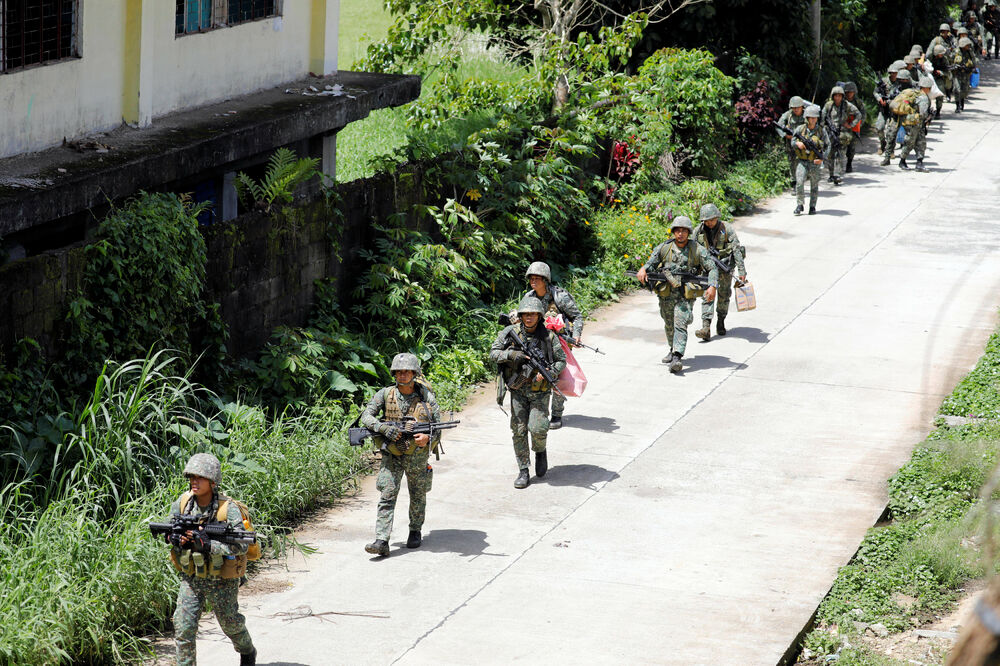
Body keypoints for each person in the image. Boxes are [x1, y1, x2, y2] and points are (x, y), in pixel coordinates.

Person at [168, 453, 257, 666]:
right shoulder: (183, 504)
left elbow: (242, 545)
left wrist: (209, 545)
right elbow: (171, 529)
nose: (194, 482)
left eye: (200, 477)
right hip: (192, 577)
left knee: (231, 624)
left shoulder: (229, 509)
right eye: (192, 477)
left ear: (213, 481)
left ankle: (247, 651)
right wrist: (176, 539)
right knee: (183, 627)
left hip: (222, 579)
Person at [361, 352, 441, 556]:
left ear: (414, 373)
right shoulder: (385, 394)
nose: (403, 375)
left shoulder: (426, 396)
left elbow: (437, 426)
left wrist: (427, 438)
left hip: (417, 455)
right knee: (387, 493)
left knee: (417, 493)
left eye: (407, 371)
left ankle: (415, 530)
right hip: (392, 453)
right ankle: (381, 540)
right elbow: (366, 416)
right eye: (399, 372)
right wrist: (382, 428)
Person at [490, 295, 566, 488]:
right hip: (517, 390)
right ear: (521, 316)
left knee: (538, 428)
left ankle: (540, 450)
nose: (529, 318)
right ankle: (523, 469)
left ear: (539, 316)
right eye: (526, 314)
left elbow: (561, 360)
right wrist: (512, 355)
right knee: (518, 430)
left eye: (533, 314)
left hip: (539, 392)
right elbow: (493, 353)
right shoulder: (510, 332)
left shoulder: (548, 337)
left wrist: (549, 371)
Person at [635, 216, 719, 374]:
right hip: (666, 294)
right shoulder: (665, 248)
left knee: (680, 322)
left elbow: (712, 268)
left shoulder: (697, 249)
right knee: (669, 324)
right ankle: (672, 349)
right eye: (677, 231)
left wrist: (712, 286)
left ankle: (677, 357)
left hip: (684, 295)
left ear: (688, 232)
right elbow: (651, 262)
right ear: (673, 232)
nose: (680, 234)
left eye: (684, 231)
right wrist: (643, 269)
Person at [523, 261, 582, 430]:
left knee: (558, 377)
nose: (533, 281)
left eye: (537, 278)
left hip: (559, 342)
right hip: (536, 343)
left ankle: (557, 414)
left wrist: (576, 335)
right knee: (535, 377)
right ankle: (537, 413)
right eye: (531, 278)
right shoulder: (528, 298)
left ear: (545, 279)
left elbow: (576, 316)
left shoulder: (560, 297)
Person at [693, 203, 747, 341]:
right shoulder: (698, 231)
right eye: (706, 220)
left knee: (723, 295)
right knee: (708, 295)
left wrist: (742, 270)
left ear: (717, 217)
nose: (709, 223)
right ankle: (706, 327)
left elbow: (736, 249)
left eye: (712, 220)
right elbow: (690, 249)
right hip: (707, 269)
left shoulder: (726, 228)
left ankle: (721, 320)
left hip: (724, 268)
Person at [792, 105, 830, 215]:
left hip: (814, 161)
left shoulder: (821, 131)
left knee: (814, 184)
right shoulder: (800, 129)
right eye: (811, 117)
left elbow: (828, 145)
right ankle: (800, 205)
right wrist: (797, 143)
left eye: (815, 118)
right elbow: (793, 141)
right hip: (802, 161)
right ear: (807, 118)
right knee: (799, 182)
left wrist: (822, 158)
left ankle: (812, 206)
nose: (813, 120)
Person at [821, 85, 859, 185]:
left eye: (839, 96)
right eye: (835, 95)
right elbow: (822, 118)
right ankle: (831, 174)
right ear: (832, 96)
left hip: (843, 133)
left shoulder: (847, 105)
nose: (837, 98)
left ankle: (838, 175)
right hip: (830, 132)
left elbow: (858, 114)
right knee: (830, 154)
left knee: (840, 154)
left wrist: (851, 125)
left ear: (842, 96)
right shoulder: (828, 105)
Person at [897, 76, 934, 171]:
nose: (930, 89)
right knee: (910, 142)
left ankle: (919, 163)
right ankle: (902, 161)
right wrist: (929, 116)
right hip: (914, 123)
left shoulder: (917, 94)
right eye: (929, 87)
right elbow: (922, 113)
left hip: (915, 123)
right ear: (926, 87)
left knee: (921, 143)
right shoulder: (923, 98)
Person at [881, 69, 912, 165]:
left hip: (908, 117)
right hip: (895, 116)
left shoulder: (913, 91)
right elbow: (890, 99)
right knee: (890, 136)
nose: (902, 82)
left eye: (904, 80)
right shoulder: (896, 89)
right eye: (900, 80)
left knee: (910, 138)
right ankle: (887, 158)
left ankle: (904, 159)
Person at [874, 62, 903, 155]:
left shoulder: (900, 83)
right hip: (883, 110)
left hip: (894, 111)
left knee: (892, 131)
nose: (893, 75)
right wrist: (880, 99)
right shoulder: (883, 82)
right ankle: (883, 144)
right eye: (891, 73)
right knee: (879, 127)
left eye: (895, 73)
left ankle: (891, 150)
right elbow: (875, 92)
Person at [776, 96, 807, 184]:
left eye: (798, 107)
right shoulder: (788, 115)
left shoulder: (807, 115)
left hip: (804, 144)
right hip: (790, 145)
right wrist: (785, 135)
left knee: (803, 163)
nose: (796, 109)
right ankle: (794, 182)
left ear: (802, 107)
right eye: (794, 107)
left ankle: (801, 181)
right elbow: (778, 126)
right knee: (792, 163)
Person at [842, 82, 864, 173]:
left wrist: (858, 125)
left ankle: (849, 163)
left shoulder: (858, 102)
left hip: (853, 127)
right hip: (843, 126)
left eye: (851, 92)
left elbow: (863, 115)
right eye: (847, 92)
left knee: (851, 147)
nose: (849, 94)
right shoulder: (841, 100)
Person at [953, 37, 978, 112]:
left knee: (964, 89)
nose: (969, 46)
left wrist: (973, 68)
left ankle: (962, 104)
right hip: (957, 73)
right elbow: (950, 59)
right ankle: (957, 105)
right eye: (967, 45)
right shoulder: (956, 51)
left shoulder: (969, 52)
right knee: (957, 89)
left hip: (966, 73)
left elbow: (974, 60)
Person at [929, 44, 952, 118]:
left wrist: (940, 72)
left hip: (939, 78)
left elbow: (947, 71)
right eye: (940, 53)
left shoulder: (944, 59)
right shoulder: (930, 58)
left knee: (940, 93)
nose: (942, 55)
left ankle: (938, 111)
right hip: (929, 78)